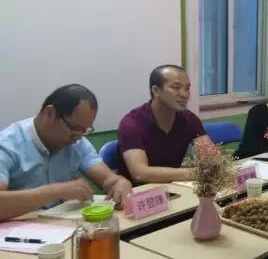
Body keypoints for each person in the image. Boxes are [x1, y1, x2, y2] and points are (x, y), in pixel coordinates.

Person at [0, 84, 132, 221]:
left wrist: (120, 182)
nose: (78, 136)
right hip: (18, 229)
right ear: (50, 113)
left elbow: (108, 179)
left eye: (84, 130)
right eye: (74, 127)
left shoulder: (77, 142)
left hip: (60, 226)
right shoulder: (7, 144)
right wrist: (54, 191)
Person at [117, 65, 205, 184]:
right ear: (156, 91)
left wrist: (214, 165)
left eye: (187, 88)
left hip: (172, 187)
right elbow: (140, 173)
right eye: (176, 87)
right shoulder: (132, 123)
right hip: (140, 191)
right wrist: (196, 173)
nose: (184, 94)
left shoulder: (189, 118)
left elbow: (211, 157)